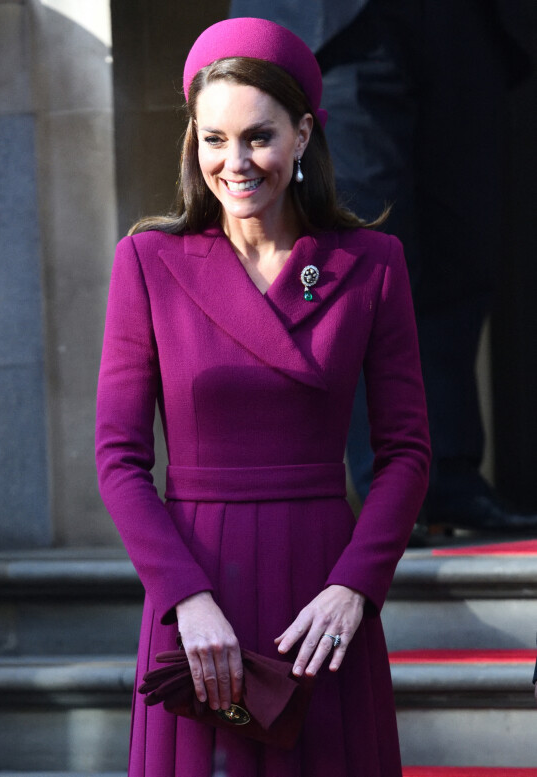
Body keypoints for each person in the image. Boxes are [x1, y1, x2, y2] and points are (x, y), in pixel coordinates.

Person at [96, 17, 430, 777]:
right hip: (195, 588)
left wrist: (356, 585)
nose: (234, 161)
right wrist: (185, 598)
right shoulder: (148, 261)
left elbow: (406, 451)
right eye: (213, 139)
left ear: (304, 132)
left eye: (258, 136)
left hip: (321, 597)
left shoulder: (371, 264)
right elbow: (118, 458)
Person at [229, 0, 537, 537]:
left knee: (463, 246)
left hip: (465, 22)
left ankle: (451, 476)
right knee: (364, 254)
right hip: (337, 23)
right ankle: (391, 490)